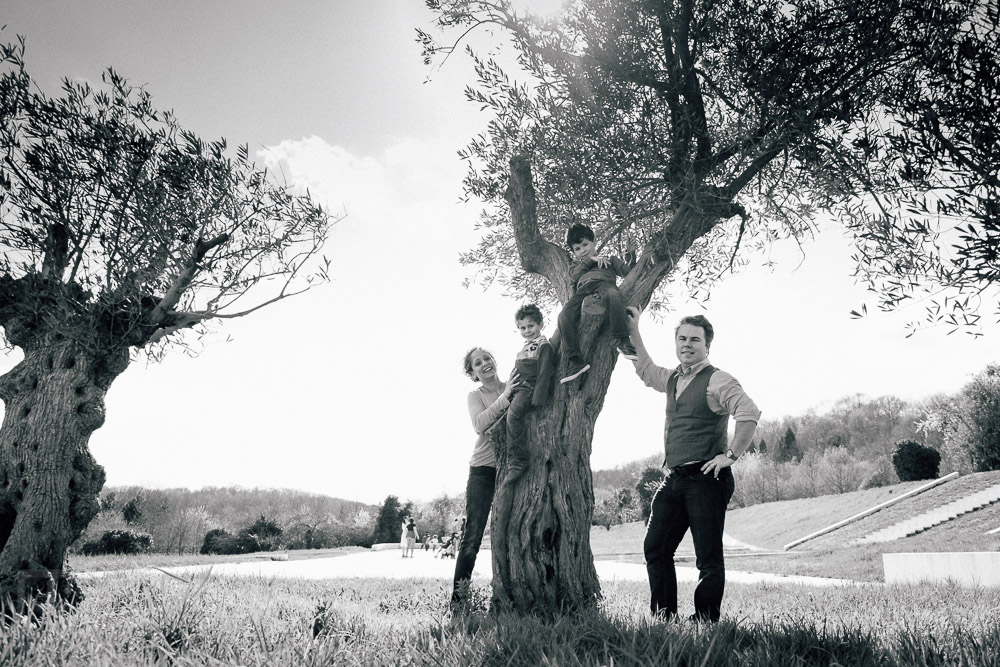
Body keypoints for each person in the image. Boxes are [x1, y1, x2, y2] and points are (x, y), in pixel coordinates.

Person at [626, 307, 760, 622]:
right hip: (675, 478)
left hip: (707, 478)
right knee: (656, 547)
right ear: (676, 343)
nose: (687, 344)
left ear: (707, 346)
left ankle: (704, 620)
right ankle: (664, 616)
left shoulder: (717, 379)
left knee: (708, 557)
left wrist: (730, 455)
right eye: (682, 338)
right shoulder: (672, 378)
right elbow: (644, 368)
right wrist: (634, 328)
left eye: (695, 340)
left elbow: (749, 413)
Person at [451, 347, 520, 605]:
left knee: (512, 531)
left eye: (487, 358)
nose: (485, 364)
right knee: (473, 537)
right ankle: (459, 601)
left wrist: (510, 391)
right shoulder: (475, 395)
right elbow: (480, 424)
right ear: (473, 372)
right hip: (483, 469)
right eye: (478, 363)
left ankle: (509, 596)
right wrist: (505, 397)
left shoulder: (513, 384)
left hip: (512, 467)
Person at [557, 223, 637, 384]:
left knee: (614, 295)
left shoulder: (609, 259)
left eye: (585, 244)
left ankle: (622, 339)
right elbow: (573, 276)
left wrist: (631, 254)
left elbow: (628, 272)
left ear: (594, 243)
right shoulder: (576, 265)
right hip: (583, 291)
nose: (583, 250)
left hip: (604, 284)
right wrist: (590, 261)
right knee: (564, 315)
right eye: (578, 248)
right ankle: (576, 360)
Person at [506, 303, 554, 478]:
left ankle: (518, 461)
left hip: (528, 389)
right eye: (523, 328)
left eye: (531, 326)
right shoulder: (525, 347)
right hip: (518, 388)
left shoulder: (543, 345)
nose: (527, 331)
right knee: (507, 418)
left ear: (540, 325)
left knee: (513, 417)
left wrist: (539, 396)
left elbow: (545, 371)